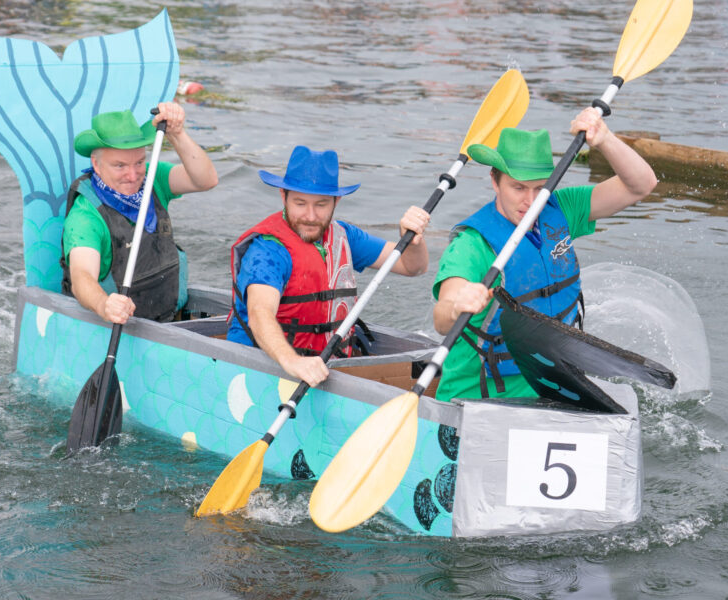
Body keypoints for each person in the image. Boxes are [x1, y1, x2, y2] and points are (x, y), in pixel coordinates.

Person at [432, 107, 658, 401]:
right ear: (494, 181)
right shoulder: (472, 244)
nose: (529, 201)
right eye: (518, 187)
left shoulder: (562, 209)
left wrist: (605, 140)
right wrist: (455, 306)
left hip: (554, 384)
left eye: (540, 188)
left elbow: (642, 185)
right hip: (481, 397)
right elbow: (442, 319)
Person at [228, 145, 431, 387]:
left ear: (336, 201)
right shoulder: (268, 249)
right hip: (260, 368)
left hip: (324, 367)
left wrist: (414, 241)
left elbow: (412, 267)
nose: (311, 216)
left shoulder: (344, 236)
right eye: (300, 203)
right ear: (283, 196)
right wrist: (292, 361)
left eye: (321, 204)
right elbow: (260, 313)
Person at [61, 102, 218, 324]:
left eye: (139, 163)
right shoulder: (85, 216)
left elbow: (206, 180)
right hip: (122, 322)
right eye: (120, 166)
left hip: (168, 316)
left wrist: (178, 134)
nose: (133, 176)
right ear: (96, 165)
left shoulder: (154, 178)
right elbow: (82, 277)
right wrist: (104, 305)